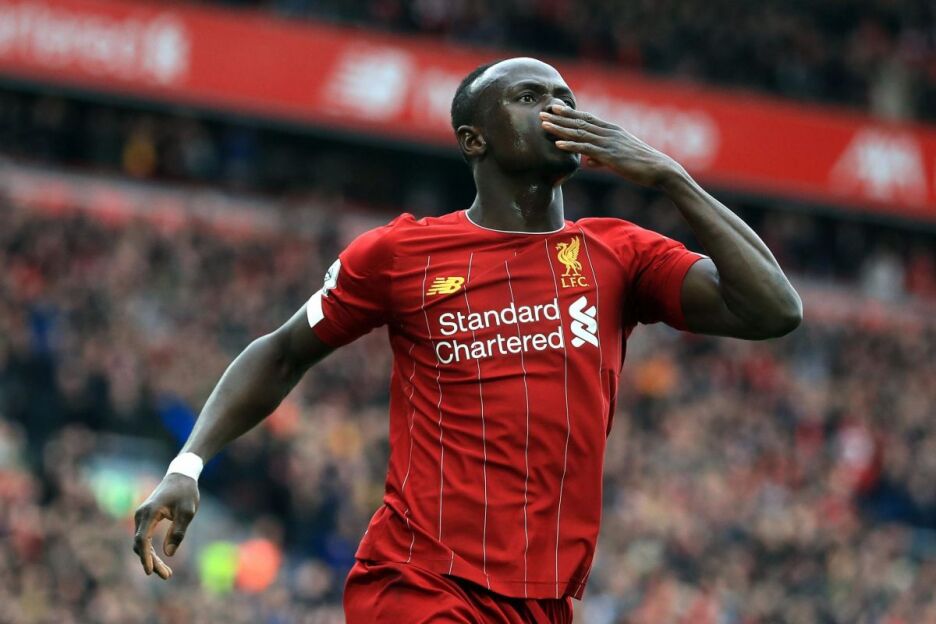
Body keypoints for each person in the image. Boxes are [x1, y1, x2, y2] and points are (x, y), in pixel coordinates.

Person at [132, 57, 802, 623]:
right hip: (420, 580)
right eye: (529, 96)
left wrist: (671, 177)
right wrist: (188, 464)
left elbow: (774, 310)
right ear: (474, 140)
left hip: (542, 599)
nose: (557, 109)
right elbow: (282, 352)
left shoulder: (620, 255)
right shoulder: (402, 254)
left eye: (565, 98)